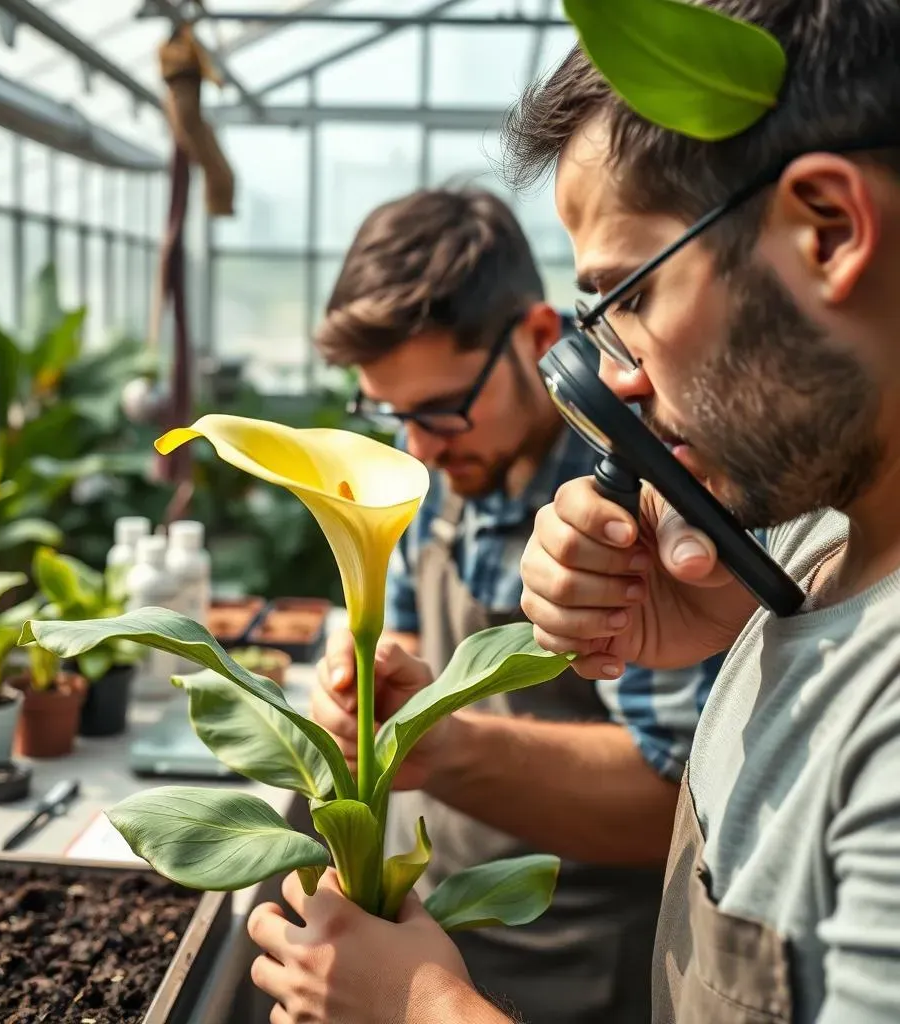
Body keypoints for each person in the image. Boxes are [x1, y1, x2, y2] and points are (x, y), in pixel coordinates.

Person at [246, 1, 900, 1022]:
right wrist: (735, 627)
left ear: (826, 231)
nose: (612, 379)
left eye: (626, 296)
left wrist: (419, 1007)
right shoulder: (820, 543)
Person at [250, 187, 723, 1023]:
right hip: (431, 931)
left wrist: (438, 747)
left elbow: (681, 805)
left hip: (573, 975)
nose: (419, 444)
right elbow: (401, 634)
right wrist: (374, 686)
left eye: (440, 409)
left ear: (541, 337)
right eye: (392, 412)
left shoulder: (634, 496)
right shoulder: (434, 461)